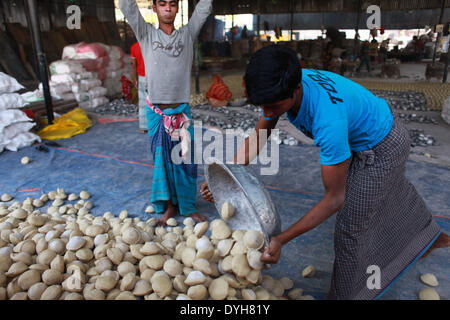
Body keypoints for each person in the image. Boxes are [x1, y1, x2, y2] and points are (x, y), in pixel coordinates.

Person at [200, 45, 449, 300]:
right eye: (262, 105)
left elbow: (334, 198)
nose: (269, 112)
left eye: (274, 106)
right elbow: (259, 135)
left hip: (383, 146)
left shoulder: (327, 121)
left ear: (296, 90)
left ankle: (345, 296)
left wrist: (282, 239)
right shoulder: (286, 82)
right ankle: (432, 236)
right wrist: (225, 177)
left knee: (350, 228)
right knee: (391, 188)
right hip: (371, 125)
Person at [119, 0, 212, 225]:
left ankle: (188, 206)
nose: (167, 8)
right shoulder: (146, 34)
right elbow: (127, 7)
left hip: (182, 111)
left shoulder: (187, 35)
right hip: (156, 112)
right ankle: (169, 206)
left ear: (177, 8)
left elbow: (204, 8)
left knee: (185, 160)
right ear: (154, 8)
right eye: (162, 4)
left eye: (172, 4)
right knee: (163, 161)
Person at [130, 41, 148, 133]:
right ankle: (156, 126)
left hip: (141, 77)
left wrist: (135, 79)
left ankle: (143, 127)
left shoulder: (134, 47)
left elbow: (134, 65)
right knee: (155, 102)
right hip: (153, 77)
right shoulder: (152, 44)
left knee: (142, 102)